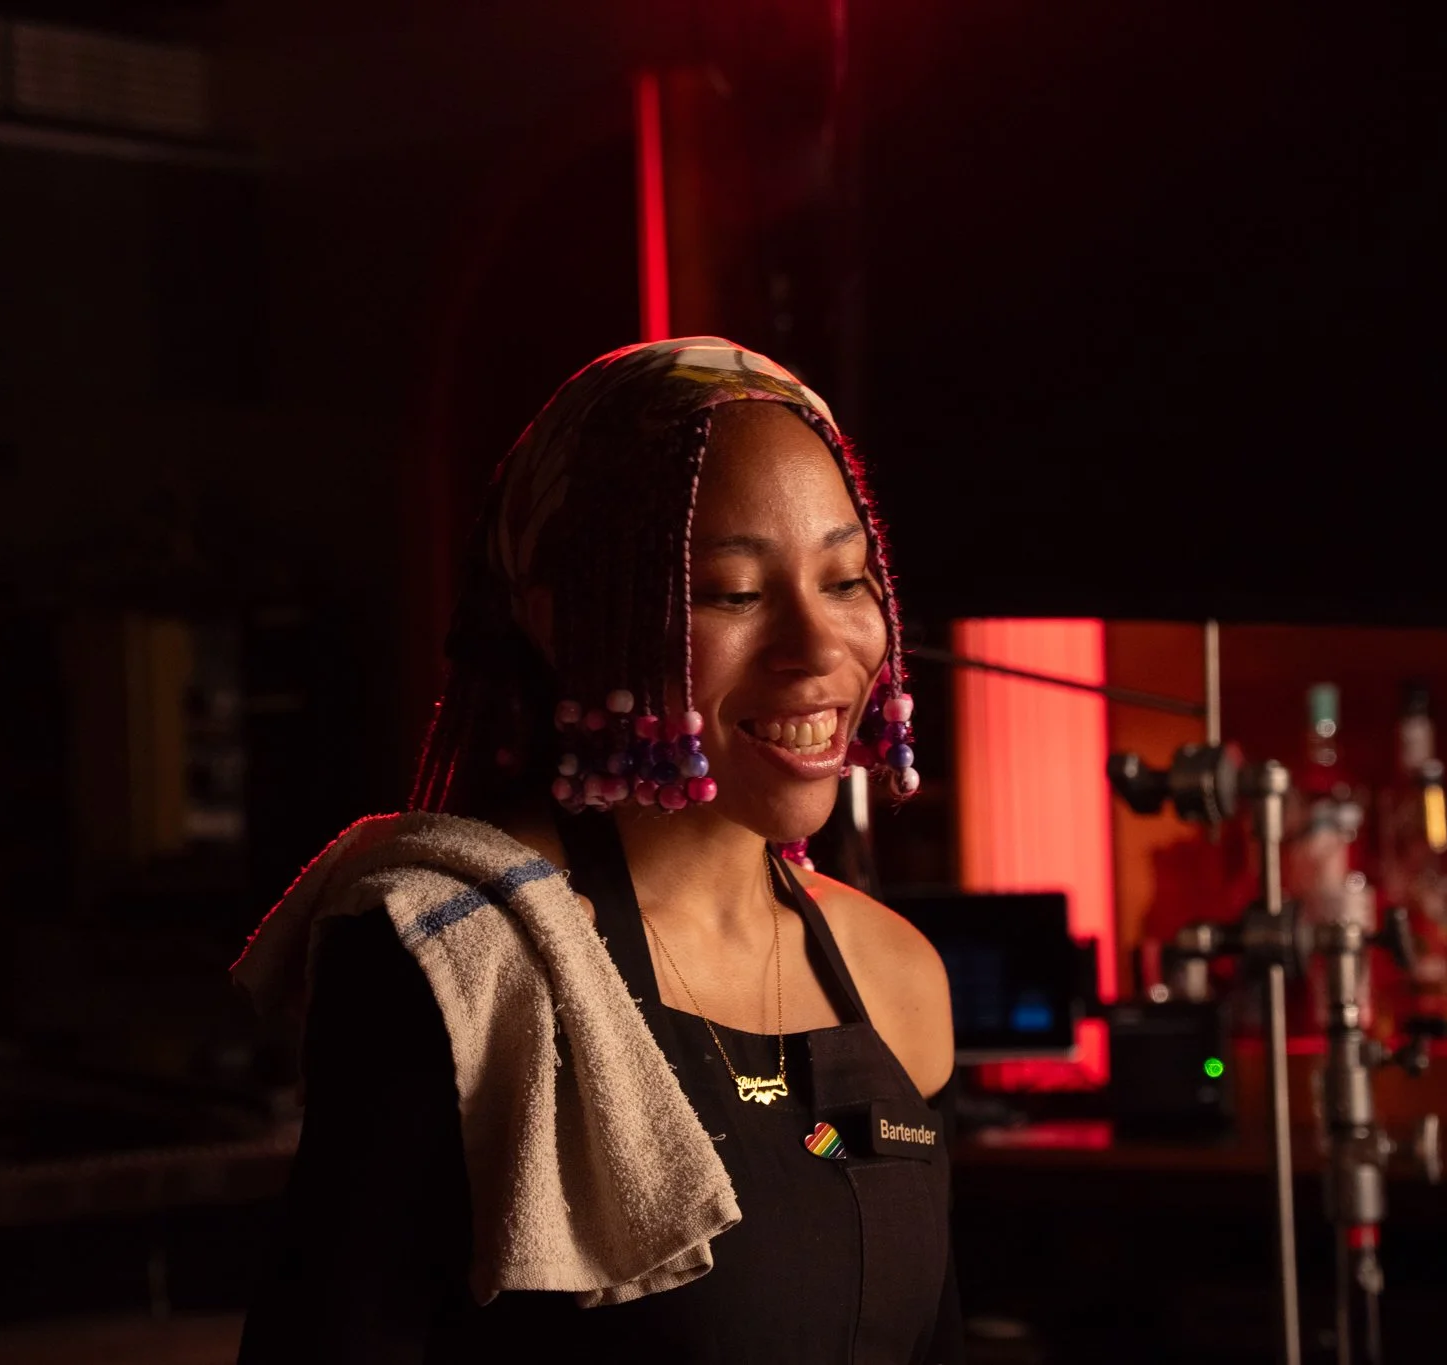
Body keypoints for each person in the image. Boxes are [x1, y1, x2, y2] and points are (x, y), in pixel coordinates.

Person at [233, 338, 962, 1363]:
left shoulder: (897, 980)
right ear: (563, 620)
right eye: (732, 592)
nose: (818, 648)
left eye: (844, 579)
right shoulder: (460, 968)